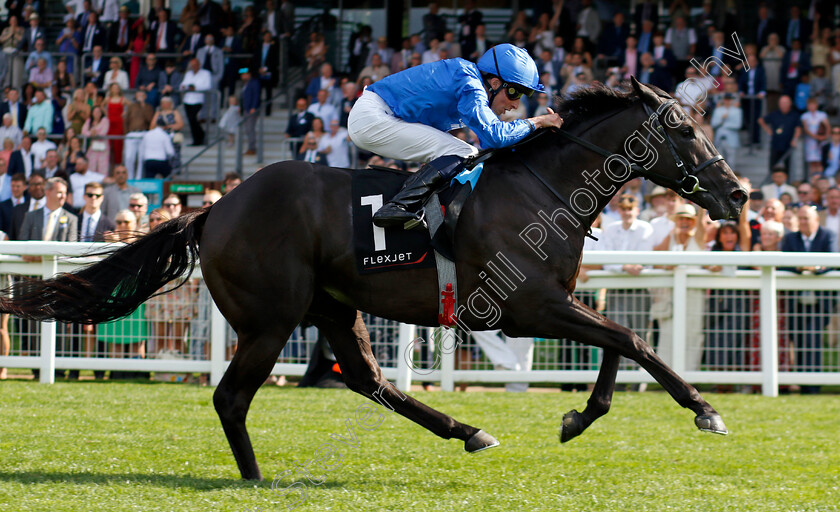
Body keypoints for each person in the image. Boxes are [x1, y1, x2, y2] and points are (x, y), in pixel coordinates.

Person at [348, 43, 562, 229]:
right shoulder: (470, 84)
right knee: (463, 151)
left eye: (523, 95)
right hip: (373, 117)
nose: (515, 104)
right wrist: (538, 121)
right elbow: (496, 137)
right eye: (514, 92)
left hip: (378, 115)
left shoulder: (470, 81)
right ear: (495, 83)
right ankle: (399, 205)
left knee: (467, 153)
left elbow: (490, 145)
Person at [780, 205, 834, 394]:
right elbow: (785, 263)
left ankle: (813, 387)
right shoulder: (790, 238)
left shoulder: (828, 235)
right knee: (798, 340)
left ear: (816, 220)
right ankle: (803, 384)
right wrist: (801, 268)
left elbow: (832, 260)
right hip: (796, 302)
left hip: (819, 303)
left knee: (812, 340)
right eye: (800, 218)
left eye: (806, 218)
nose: (803, 222)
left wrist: (816, 269)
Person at [179, 57, 211, 145]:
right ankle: (197, 139)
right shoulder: (188, 74)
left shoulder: (206, 73)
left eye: (195, 64)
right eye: (192, 65)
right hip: (187, 99)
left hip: (198, 99)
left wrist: (195, 88)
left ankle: (200, 137)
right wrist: (186, 87)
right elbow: (182, 85)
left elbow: (207, 86)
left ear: (199, 64)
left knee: (193, 118)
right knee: (190, 120)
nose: (194, 66)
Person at [81, 106, 109, 175]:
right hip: (93, 147)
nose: (97, 113)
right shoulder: (89, 121)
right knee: (91, 165)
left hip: (103, 147)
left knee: (102, 166)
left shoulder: (105, 120)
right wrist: (91, 133)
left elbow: (103, 132)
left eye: (99, 112)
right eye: (95, 112)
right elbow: (84, 131)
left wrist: (95, 133)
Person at [239, 67, 259, 155]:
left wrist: (253, 107)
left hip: (251, 109)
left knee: (250, 129)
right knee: (247, 129)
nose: (243, 76)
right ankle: (250, 147)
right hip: (246, 108)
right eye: (242, 75)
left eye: (245, 74)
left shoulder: (254, 83)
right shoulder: (245, 84)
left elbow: (256, 95)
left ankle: (252, 148)